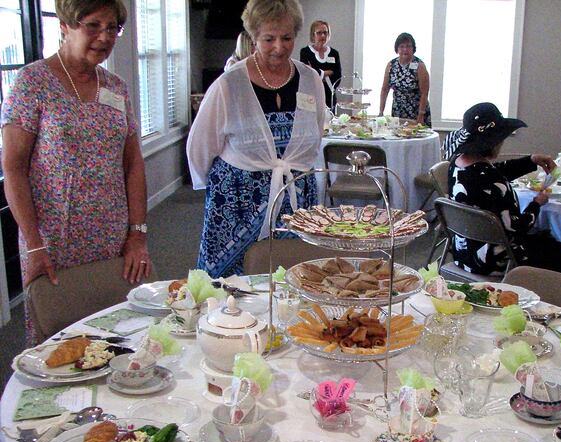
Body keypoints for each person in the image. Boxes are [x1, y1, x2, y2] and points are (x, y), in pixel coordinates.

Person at [1, 0, 151, 345]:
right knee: (60, 342)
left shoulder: (116, 87)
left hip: (112, 239)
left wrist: (138, 234)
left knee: (119, 334)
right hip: (54, 241)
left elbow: (133, 164)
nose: (105, 36)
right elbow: (13, 169)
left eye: (113, 27)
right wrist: (35, 245)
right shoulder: (32, 83)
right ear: (65, 26)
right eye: (93, 26)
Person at [186, 0, 326, 278]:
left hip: (296, 198)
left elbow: (316, 132)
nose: (279, 47)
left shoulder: (311, 80)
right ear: (253, 38)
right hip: (237, 205)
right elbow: (199, 149)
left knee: (291, 283)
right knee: (231, 294)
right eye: (269, 39)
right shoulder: (229, 85)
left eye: (286, 38)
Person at [445, 102, 561, 276]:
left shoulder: (457, 164)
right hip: (494, 260)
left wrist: (530, 161)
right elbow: (517, 227)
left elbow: (493, 173)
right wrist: (536, 203)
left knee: (543, 239)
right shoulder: (490, 178)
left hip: (463, 252)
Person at [379, 32, 431, 126]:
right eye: (401, 46)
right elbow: (384, 89)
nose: (405, 49)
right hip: (398, 112)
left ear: (413, 48)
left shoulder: (420, 66)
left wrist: (421, 114)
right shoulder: (391, 65)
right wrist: (381, 112)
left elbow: (424, 93)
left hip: (416, 113)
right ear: (397, 49)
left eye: (408, 46)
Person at [299, 20, 341, 109]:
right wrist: (327, 73)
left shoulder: (334, 53)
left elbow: (338, 75)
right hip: (309, 95)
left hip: (329, 95)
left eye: (325, 33)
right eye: (319, 33)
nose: (323, 35)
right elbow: (306, 73)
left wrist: (316, 73)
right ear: (313, 34)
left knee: (329, 121)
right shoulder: (305, 52)